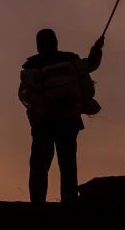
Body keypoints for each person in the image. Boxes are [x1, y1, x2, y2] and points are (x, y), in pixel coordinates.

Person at [21, 29, 104, 204]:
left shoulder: (31, 66)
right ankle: (69, 201)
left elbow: (24, 94)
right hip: (68, 120)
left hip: (44, 123)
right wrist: (97, 48)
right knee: (67, 165)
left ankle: (37, 204)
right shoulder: (70, 59)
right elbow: (91, 64)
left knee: (39, 166)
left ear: (38, 45)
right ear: (56, 42)